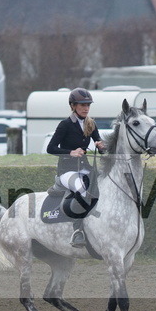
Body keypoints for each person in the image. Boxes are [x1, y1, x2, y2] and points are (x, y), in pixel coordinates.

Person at [47, 88, 106, 247]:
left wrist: (101, 146)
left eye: (88, 105)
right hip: (67, 171)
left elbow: (99, 144)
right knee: (81, 189)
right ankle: (78, 230)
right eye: (82, 105)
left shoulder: (91, 123)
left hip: (85, 168)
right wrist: (70, 152)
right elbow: (51, 148)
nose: (86, 108)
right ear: (73, 106)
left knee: (105, 184)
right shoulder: (65, 125)